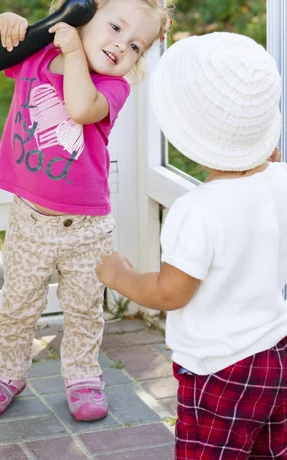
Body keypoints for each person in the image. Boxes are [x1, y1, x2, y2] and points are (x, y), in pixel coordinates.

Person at [0, 0, 171, 421]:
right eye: (115, 27)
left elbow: (79, 108)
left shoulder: (111, 88)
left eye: (135, 45)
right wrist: (2, 22)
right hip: (29, 221)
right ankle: (4, 372)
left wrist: (76, 52)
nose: (121, 44)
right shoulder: (35, 60)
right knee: (17, 305)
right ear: (81, 13)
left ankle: (82, 377)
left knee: (82, 311)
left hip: (87, 228)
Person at [96, 32, 287, 457]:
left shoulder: (197, 210)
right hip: (275, 354)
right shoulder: (281, 181)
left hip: (219, 370)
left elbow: (170, 293)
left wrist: (120, 275)